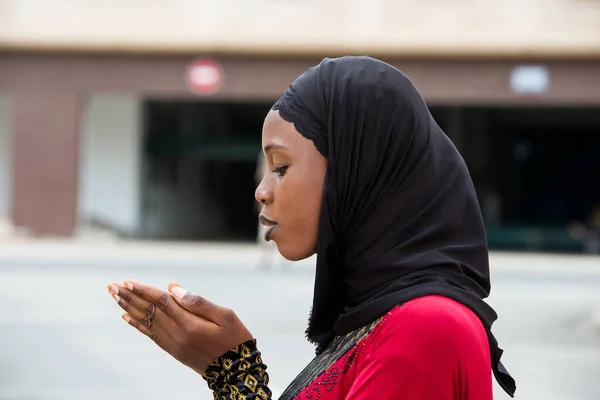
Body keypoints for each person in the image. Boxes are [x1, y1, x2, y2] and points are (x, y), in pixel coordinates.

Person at [107, 56, 516, 399]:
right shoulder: (385, 315)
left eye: (281, 167)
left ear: (357, 171)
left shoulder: (425, 330)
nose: (261, 192)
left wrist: (235, 376)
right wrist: (227, 371)